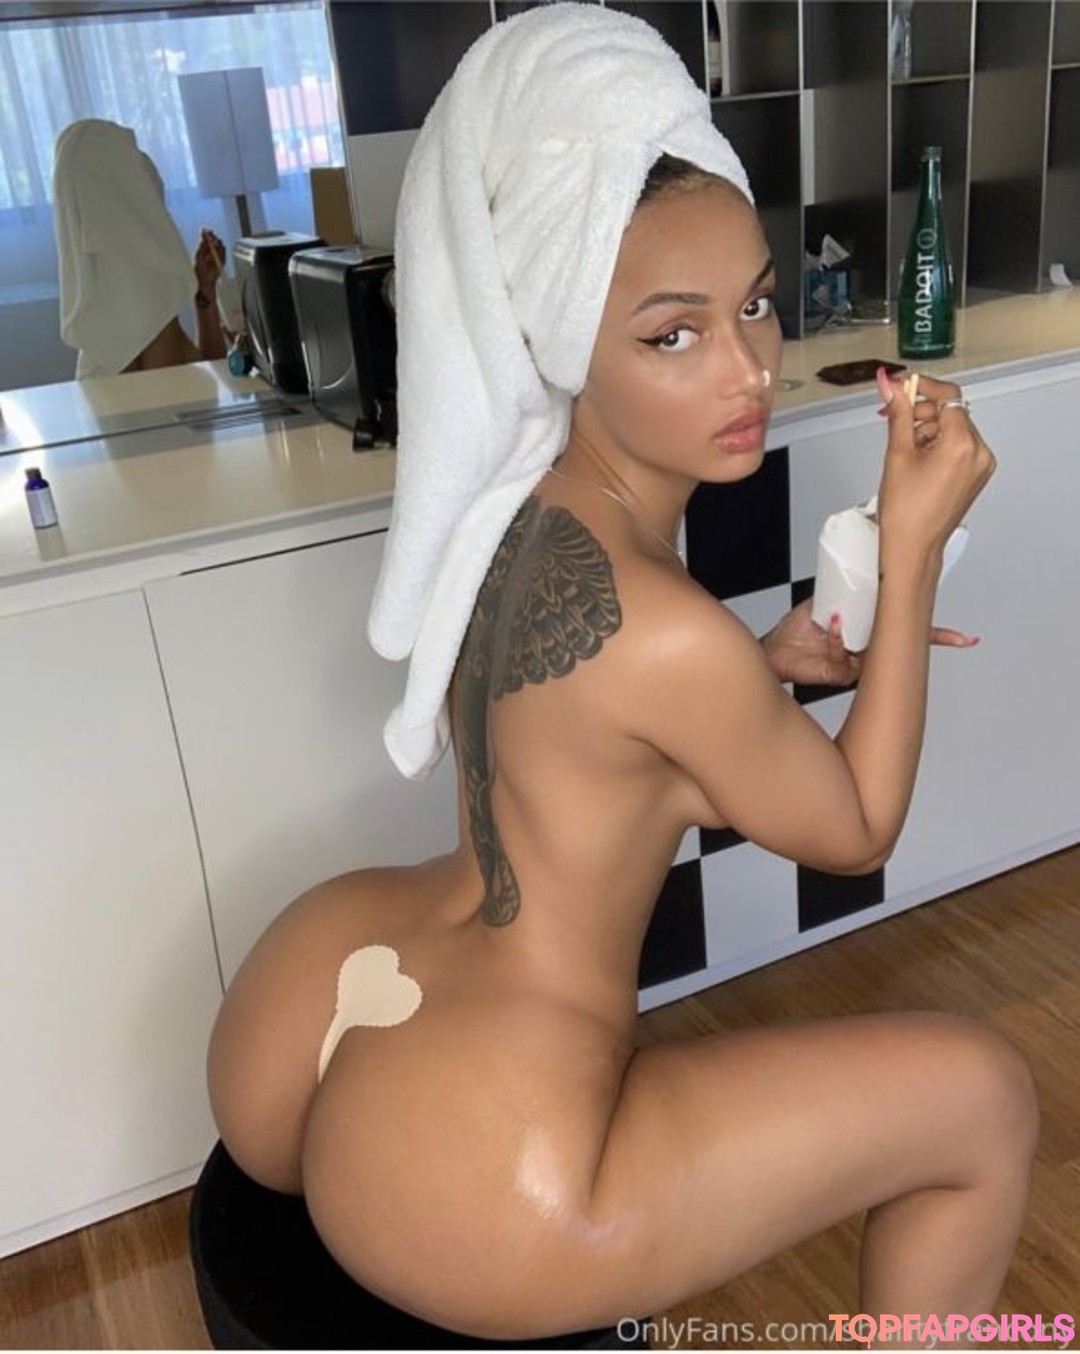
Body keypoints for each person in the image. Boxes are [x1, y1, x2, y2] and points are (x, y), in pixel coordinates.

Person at [207, 5, 1032, 1343]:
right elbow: (857, 830)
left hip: (317, 1003)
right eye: (672, 334)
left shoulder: (505, 512)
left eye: (753, 303)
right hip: (487, 1167)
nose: (749, 368)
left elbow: (591, 740)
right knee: (984, 1100)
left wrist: (755, 673)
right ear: (561, 338)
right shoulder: (662, 630)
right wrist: (916, 551)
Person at [52, 119, 228, 378]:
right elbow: (197, 381)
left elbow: (207, 375)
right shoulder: (141, 300)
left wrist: (205, 292)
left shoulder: (112, 312)